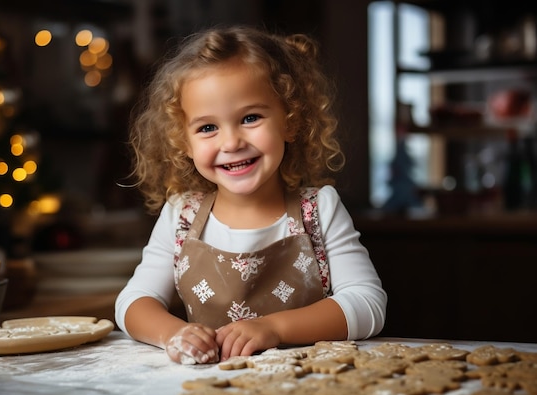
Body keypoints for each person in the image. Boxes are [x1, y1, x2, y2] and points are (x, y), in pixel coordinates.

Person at [115, 25, 387, 365]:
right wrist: (174, 333)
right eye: (207, 127)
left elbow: (368, 304)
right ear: (183, 142)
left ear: (290, 121)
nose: (231, 143)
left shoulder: (319, 209)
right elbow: (133, 302)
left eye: (250, 118)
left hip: (307, 383)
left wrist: (274, 328)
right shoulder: (180, 215)